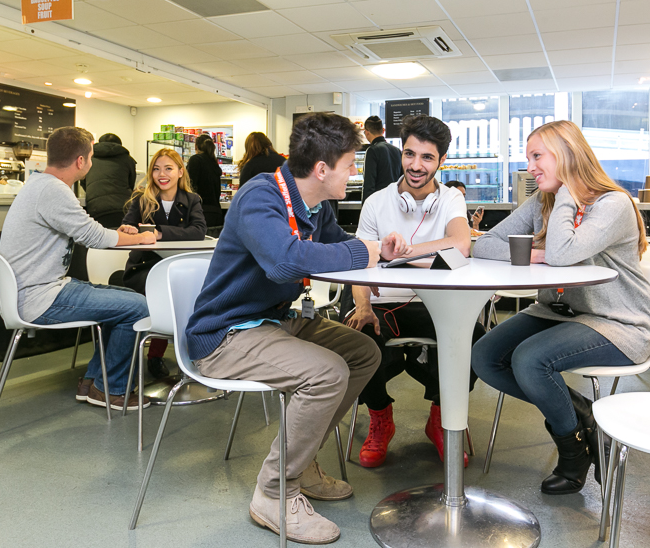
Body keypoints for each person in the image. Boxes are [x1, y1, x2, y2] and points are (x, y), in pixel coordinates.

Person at [187, 113, 410, 544]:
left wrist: (377, 249)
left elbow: (333, 246)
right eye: (350, 164)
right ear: (323, 169)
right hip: (225, 334)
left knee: (364, 352)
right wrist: (360, 253)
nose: (354, 172)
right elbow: (285, 260)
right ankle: (274, 491)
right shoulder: (260, 196)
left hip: (271, 323)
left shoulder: (313, 204)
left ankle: (301, 460)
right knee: (327, 373)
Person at [471, 120, 650, 496]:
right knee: (485, 356)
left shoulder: (612, 204)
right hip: (556, 312)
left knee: (530, 360)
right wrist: (536, 254)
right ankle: (585, 415)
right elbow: (483, 245)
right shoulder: (541, 201)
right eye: (528, 158)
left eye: (537, 156)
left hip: (617, 323)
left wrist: (569, 192)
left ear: (568, 154)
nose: (530, 167)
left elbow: (562, 253)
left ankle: (572, 454)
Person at [346, 115, 484, 469]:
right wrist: (362, 306)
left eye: (427, 157)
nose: (416, 165)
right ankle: (380, 417)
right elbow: (360, 264)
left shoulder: (451, 198)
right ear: (401, 153)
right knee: (357, 337)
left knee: (477, 339)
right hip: (384, 303)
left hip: (434, 304)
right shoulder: (377, 202)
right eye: (410, 154)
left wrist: (404, 252)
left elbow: (460, 243)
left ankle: (441, 418)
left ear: (441, 161)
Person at [0, 126, 155, 411]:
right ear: (81, 161)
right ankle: (113, 390)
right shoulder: (54, 191)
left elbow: (88, 230)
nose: (92, 163)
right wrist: (140, 237)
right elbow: (93, 237)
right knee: (137, 306)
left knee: (120, 299)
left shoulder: (37, 185)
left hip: (36, 289)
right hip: (39, 298)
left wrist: (116, 232)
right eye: (91, 157)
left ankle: (94, 381)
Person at [120, 148, 206, 379]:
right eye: (156, 169)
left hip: (179, 270)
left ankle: (189, 354)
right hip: (145, 269)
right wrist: (128, 230)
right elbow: (127, 228)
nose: (162, 174)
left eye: (168, 168)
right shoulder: (141, 199)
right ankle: (155, 356)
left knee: (193, 293)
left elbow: (198, 231)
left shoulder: (192, 200)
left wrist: (159, 233)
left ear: (180, 172)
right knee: (167, 295)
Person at [80, 133, 136, 228]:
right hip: (123, 207)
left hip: (96, 207)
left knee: (101, 239)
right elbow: (131, 183)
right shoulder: (128, 159)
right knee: (124, 238)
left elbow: (83, 182)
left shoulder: (90, 158)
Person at [186, 135, 224, 229]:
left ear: (196, 147)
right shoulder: (213, 163)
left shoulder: (196, 160)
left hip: (201, 212)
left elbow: (189, 186)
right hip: (216, 213)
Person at [361, 115, 402, 202]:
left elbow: (369, 184)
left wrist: (366, 206)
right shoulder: (397, 150)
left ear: (366, 132)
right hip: (395, 200)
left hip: (379, 202)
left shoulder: (372, 150)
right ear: (383, 130)